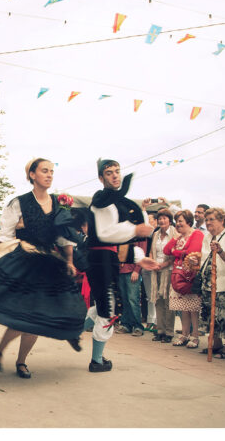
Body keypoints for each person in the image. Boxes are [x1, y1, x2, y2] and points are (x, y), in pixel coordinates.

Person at [0, 158, 85, 379]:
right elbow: (4, 235)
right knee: (26, 316)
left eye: (51, 171)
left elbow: (64, 237)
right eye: (44, 171)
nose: (49, 175)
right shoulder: (19, 203)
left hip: (48, 264)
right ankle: (4, 352)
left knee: (42, 315)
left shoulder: (58, 204)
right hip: (25, 262)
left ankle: (17, 358)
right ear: (32, 175)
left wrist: (69, 260)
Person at [83, 159, 154, 371]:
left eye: (117, 171)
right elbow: (105, 235)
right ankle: (97, 361)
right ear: (101, 178)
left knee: (105, 306)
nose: (115, 175)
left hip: (107, 261)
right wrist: (135, 230)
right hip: (100, 262)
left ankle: (74, 328)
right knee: (108, 309)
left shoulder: (114, 202)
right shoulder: (102, 200)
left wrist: (139, 258)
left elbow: (115, 244)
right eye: (109, 173)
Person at [199, 208, 225, 358]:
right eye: (206, 220)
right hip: (208, 282)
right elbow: (204, 257)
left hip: (224, 281)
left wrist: (220, 251)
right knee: (210, 314)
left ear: (221, 220)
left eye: (211, 219)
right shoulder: (207, 237)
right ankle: (216, 343)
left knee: (224, 315)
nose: (208, 223)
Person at [165, 210, 203, 348]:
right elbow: (166, 250)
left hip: (190, 275)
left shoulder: (196, 234)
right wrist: (175, 239)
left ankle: (195, 336)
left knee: (193, 308)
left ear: (188, 221)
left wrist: (175, 252)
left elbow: (192, 251)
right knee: (183, 308)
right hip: (178, 275)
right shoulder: (179, 237)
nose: (178, 224)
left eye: (180, 221)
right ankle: (184, 334)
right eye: (177, 221)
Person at [146, 208, 176, 342]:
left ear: (170, 220)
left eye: (165, 218)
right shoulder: (156, 234)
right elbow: (151, 251)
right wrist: (152, 262)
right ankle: (160, 330)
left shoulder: (174, 233)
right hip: (156, 270)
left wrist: (163, 265)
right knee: (158, 300)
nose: (162, 221)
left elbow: (175, 254)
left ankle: (169, 332)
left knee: (168, 301)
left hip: (168, 270)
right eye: (160, 218)